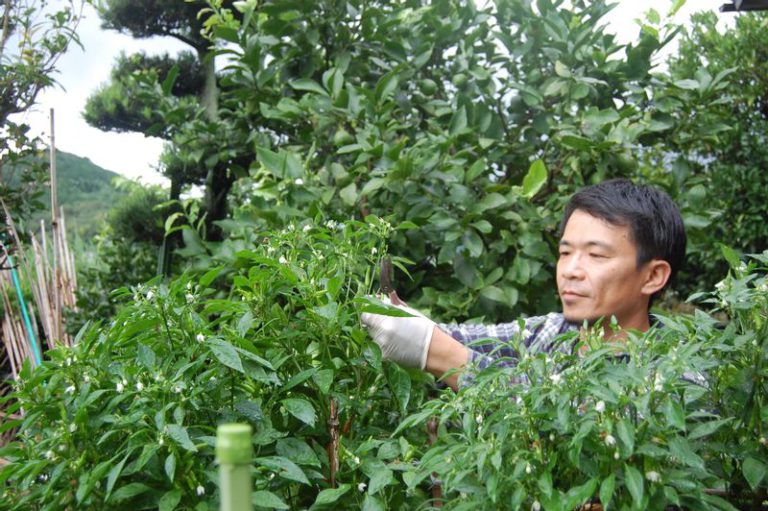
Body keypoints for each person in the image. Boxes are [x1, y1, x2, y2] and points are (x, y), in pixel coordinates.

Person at [362, 178, 687, 390]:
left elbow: (566, 426)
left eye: (596, 255)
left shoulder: (679, 376)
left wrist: (439, 354)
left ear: (653, 276)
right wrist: (407, 321)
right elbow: (458, 337)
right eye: (565, 252)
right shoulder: (551, 333)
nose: (570, 270)